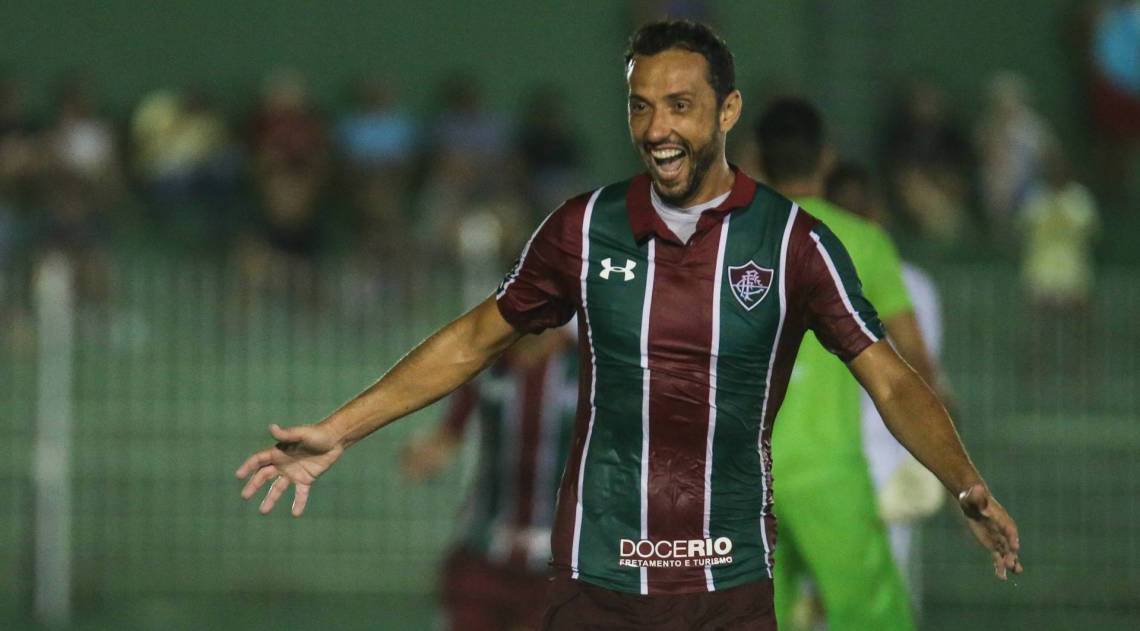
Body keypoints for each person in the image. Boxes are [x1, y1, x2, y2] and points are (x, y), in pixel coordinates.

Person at [236, 20, 1021, 630]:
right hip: (598, 578)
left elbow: (889, 375)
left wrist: (967, 484)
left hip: (727, 582)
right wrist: (341, 428)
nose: (656, 128)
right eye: (640, 106)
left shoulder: (792, 241)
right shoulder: (585, 228)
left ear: (728, 110)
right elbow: (474, 339)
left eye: (680, 105)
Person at [755, 98, 948, 630]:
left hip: (739, 472)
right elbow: (916, 364)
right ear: (826, 157)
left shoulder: (726, 239)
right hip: (826, 468)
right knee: (873, 620)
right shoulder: (861, 240)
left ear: (755, 159)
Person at [828, 161, 948, 615]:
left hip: (829, 461)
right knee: (887, 595)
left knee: (822, 600)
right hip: (889, 458)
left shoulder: (802, 273)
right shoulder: (914, 284)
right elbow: (926, 376)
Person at [401, 328, 577, 631]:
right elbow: (449, 433)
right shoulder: (490, 364)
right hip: (484, 548)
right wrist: (425, 454)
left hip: (559, 560)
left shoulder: (588, 366)